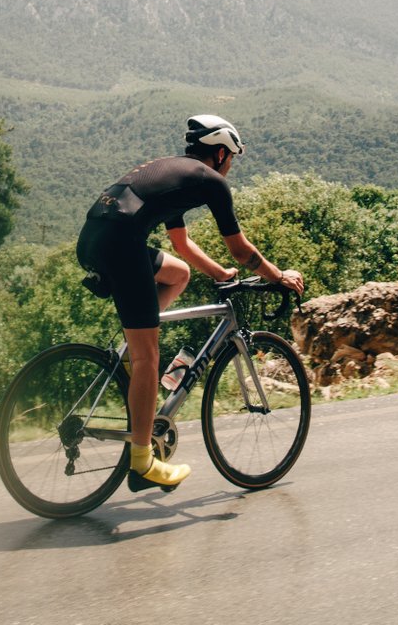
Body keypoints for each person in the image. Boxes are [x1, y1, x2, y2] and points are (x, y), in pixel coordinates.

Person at [76, 114, 305, 493]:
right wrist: (279, 276)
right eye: (231, 159)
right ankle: (142, 463)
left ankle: (134, 354)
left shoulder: (175, 174)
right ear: (219, 153)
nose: (230, 167)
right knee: (150, 357)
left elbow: (181, 246)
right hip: (120, 249)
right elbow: (241, 249)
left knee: (177, 273)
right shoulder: (210, 182)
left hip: (94, 241)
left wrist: (219, 274)